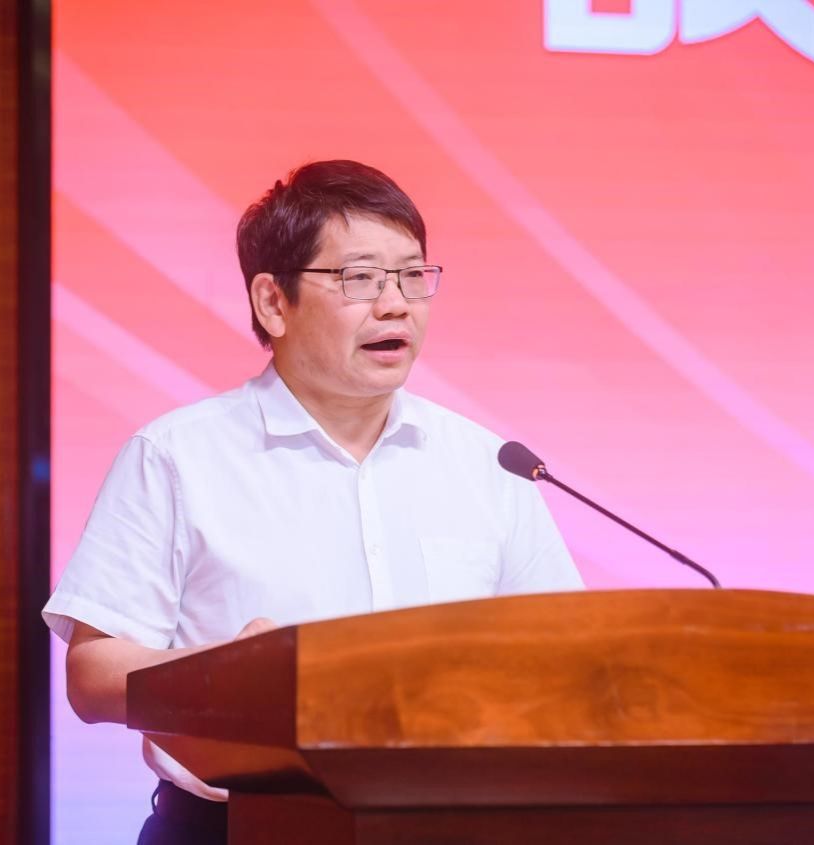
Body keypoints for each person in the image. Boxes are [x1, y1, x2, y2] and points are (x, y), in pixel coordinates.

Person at [42, 160, 583, 844]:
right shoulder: (177, 456)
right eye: (360, 279)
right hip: (237, 828)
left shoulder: (489, 463)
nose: (397, 305)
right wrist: (220, 675)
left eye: (412, 276)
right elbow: (92, 676)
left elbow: (566, 659)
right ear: (273, 302)